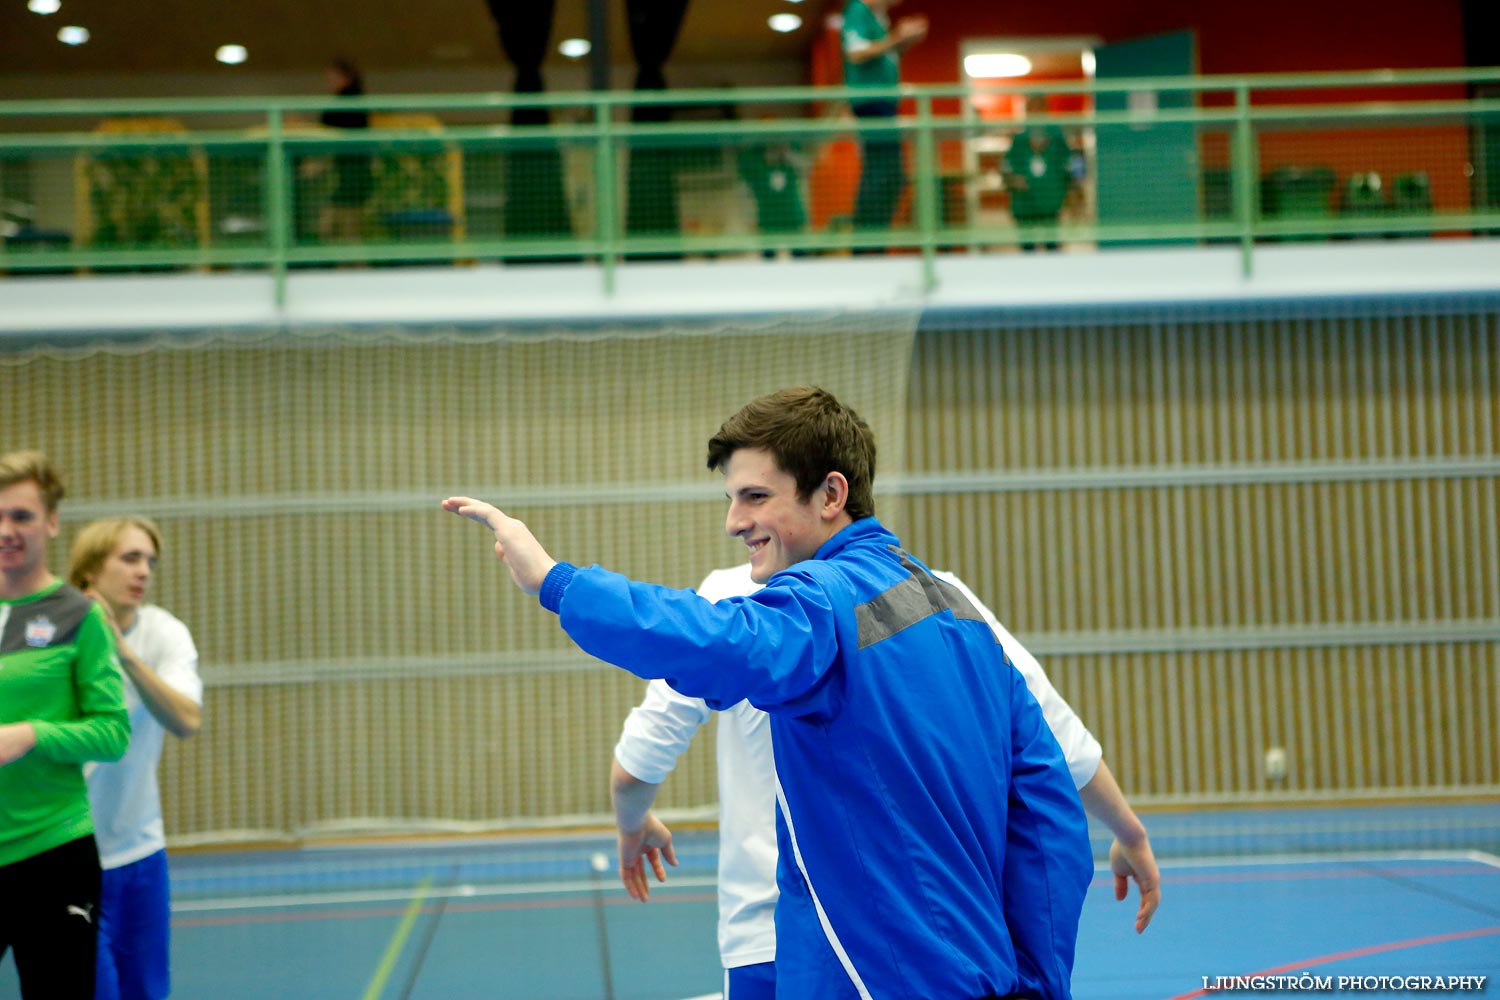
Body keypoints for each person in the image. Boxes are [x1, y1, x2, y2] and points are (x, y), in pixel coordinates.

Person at [445, 386, 1094, 1000]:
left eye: (755, 497)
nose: (734, 521)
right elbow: (1049, 824)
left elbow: (711, 640)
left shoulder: (823, 603)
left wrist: (556, 583)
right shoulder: (961, 614)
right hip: (985, 969)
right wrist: (1036, 980)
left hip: (866, 972)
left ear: (831, 494)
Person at [611, 562, 1162, 999]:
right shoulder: (939, 595)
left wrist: (633, 824)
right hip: (916, 940)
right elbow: (1058, 739)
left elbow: (636, 765)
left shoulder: (731, 599)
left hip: (770, 939)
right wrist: (1129, 831)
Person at [0, 451, 130, 1000]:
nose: (7, 531)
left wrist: (31, 734)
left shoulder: (79, 615)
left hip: (51, 854)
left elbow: (112, 732)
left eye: (22, 516)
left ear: (51, 521)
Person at [70, 517, 202, 1000]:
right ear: (90, 569)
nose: (143, 571)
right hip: (67, 858)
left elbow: (187, 719)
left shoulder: (164, 633)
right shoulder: (49, 635)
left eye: (150, 560)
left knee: (146, 991)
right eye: (129, 558)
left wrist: (123, 653)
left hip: (141, 855)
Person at [842, 0, 927, 241]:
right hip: (872, 103)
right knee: (882, 171)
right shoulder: (858, 9)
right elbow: (856, 52)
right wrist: (897, 37)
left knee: (889, 172)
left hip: (884, 102)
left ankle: (874, 237)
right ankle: (866, 240)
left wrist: (904, 40)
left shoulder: (879, 17)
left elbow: (882, 52)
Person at [1001, 95, 1076, 253]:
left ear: (1045, 110)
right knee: (1027, 246)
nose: (1035, 113)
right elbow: (1007, 167)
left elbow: (1069, 164)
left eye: (1039, 108)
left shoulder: (1056, 136)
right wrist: (1012, 180)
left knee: (1052, 245)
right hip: (1025, 202)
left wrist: (1072, 193)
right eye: (1031, 109)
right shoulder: (1019, 139)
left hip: (1050, 199)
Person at [319, 58, 373, 245]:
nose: (329, 83)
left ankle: (352, 265)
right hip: (349, 172)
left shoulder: (349, 102)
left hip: (354, 173)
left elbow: (327, 121)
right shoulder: (353, 102)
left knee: (347, 226)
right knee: (345, 227)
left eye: (333, 77)